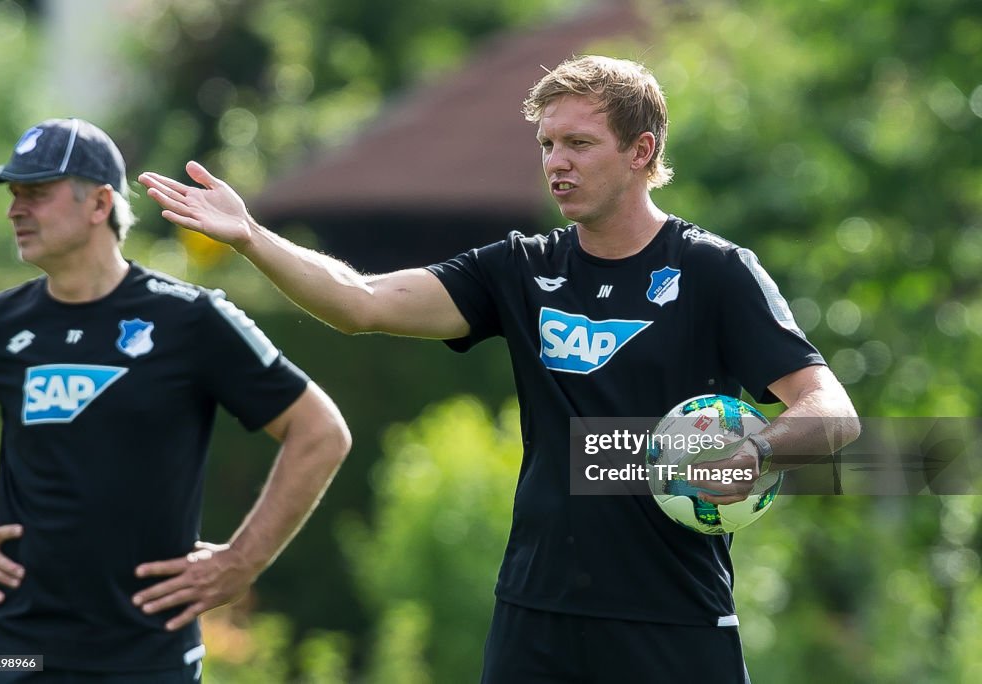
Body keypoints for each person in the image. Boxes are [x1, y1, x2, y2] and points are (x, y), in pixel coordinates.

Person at [140, 56, 860, 682]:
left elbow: (831, 416)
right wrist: (252, 237)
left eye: (579, 143)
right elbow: (360, 302)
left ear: (641, 151)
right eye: (548, 144)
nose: (557, 163)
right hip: (535, 617)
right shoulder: (521, 269)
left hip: (672, 616)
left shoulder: (715, 273)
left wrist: (750, 451)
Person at [0, 118, 351, 682]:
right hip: (11, 649)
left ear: (98, 205)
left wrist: (241, 562)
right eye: (13, 194)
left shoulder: (190, 319)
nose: (14, 210)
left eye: (36, 194)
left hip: (144, 656)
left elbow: (321, 432)